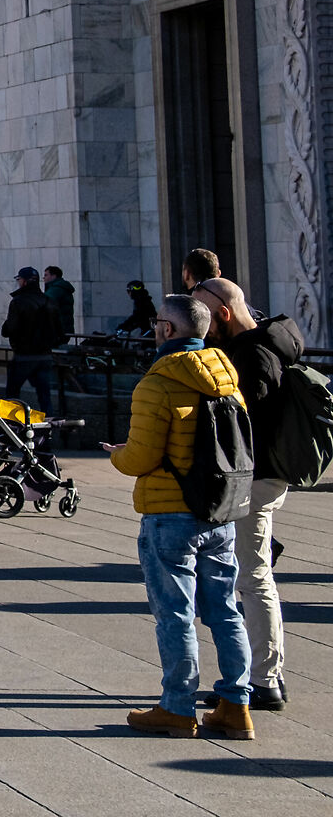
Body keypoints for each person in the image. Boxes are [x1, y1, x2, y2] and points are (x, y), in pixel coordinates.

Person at [105, 294, 252, 740]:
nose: (154, 330)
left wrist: (117, 457)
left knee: (175, 615)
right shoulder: (227, 378)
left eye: (157, 323)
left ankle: (177, 707)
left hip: (170, 512)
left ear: (168, 330)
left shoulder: (158, 382)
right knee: (226, 611)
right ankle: (235, 706)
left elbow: (142, 456)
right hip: (219, 509)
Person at [191, 276, 301, 713]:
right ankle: (260, 675)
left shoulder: (251, 355)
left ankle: (265, 680)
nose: (199, 326)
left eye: (203, 314)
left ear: (222, 312)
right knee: (249, 574)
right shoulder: (259, 346)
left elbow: (243, 424)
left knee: (252, 577)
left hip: (256, 476)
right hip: (259, 475)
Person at [0, 266, 63, 412]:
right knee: (44, 396)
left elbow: (10, 329)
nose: (18, 282)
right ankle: (48, 429)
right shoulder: (49, 300)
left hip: (24, 355)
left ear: (24, 282)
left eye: (19, 279)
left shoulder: (18, 301)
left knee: (12, 396)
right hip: (45, 355)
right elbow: (59, 330)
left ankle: (12, 427)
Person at [43, 265, 78, 341]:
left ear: (54, 276)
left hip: (57, 329)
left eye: (46, 275)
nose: (44, 278)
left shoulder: (56, 289)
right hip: (64, 329)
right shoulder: (61, 288)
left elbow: (44, 304)